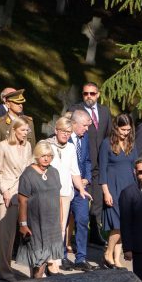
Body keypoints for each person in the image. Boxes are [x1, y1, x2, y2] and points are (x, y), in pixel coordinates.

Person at [68, 81, 113, 246]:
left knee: (97, 199)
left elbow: (109, 136)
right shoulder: (75, 110)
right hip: (80, 164)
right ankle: (72, 237)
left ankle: (95, 232)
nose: (89, 96)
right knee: (78, 201)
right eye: (86, 93)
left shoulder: (105, 112)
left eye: (92, 93)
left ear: (98, 94)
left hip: (99, 164)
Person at [43, 116, 89, 273]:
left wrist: (82, 190)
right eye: (63, 131)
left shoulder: (70, 148)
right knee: (49, 228)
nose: (66, 134)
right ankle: (46, 262)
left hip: (65, 193)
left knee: (61, 229)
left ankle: (54, 264)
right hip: (48, 193)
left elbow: (74, 172)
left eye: (69, 132)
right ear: (56, 130)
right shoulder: (46, 145)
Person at [0, 117, 33, 281]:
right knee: (7, 236)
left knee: (27, 232)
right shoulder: (2, 146)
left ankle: (34, 269)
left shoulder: (28, 146)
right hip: (7, 193)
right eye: (23, 130)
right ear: (14, 130)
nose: (26, 133)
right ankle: (5, 271)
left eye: (27, 130)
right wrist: (4, 191)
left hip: (23, 193)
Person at [17, 141, 64, 278]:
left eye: (49, 156)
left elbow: (58, 197)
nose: (46, 158)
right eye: (43, 155)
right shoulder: (28, 175)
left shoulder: (54, 172)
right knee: (38, 257)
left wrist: (60, 220)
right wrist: (23, 224)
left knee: (45, 256)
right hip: (35, 222)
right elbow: (22, 201)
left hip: (52, 223)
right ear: (37, 156)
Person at [100, 113, 138, 269]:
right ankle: (108, 252)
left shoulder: (131, 144)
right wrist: (106, 192)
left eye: (128, 129)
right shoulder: (106, 144)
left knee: (126, 224)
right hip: (113, 188)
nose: (125, 133)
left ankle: (117, 258)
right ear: (116, 128)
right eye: (123, 129)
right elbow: (102, 170)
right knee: (119, 224)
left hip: (129, 187)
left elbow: (135, 166)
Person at [68, 109, 94, 271]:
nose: (87, 129)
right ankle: (62, 256)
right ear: (74, 124)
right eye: (84, 125)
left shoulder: (84, 139)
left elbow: (88, 161)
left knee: (83, 220)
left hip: (81, 190)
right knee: (63, 223)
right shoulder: (63, 138)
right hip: (65, 187)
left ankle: (81, 258)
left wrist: (87, 178)